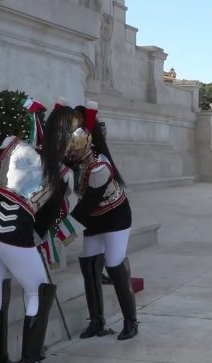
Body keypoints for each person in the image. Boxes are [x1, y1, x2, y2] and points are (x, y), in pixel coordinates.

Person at [0, 104, 82, 363]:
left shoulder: (14, 145)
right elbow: (46, 222)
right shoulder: (63, 175)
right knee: (38, 290)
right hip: (13, 232)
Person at [67, 101, 138, 341]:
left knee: (115, 264)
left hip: (115, 215)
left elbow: (87, 203)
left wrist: (63, 231)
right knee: (89, 266)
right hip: (94, 219)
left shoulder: (99, 166)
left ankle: (130, 321)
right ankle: (96, 321)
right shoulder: (75, 163)